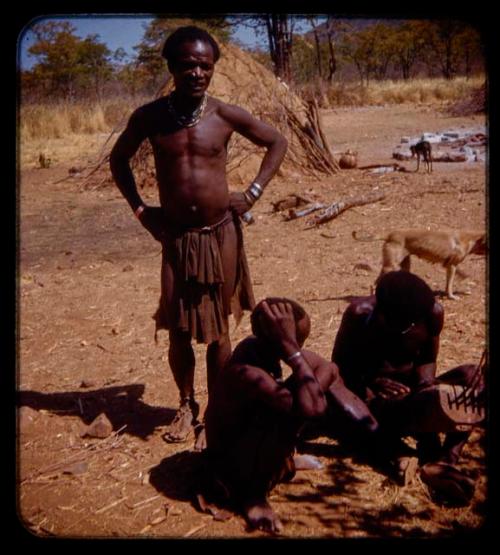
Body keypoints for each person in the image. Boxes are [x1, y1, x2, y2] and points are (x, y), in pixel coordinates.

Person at [109, 26, 288, 447]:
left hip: (220, 233)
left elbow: (276, 141)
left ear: (213, 69)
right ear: (171, 67)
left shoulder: (225, 114)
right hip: (175, 237)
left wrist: (254, 192)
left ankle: (216, 408)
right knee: (177, 326)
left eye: (204, 66)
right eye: (187, 64)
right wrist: (141, 211)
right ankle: (186, 404)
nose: (196, 73)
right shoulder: (150, 117)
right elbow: (118, 160)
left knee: (220, 328)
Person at [203, 297, 380, 533]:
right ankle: (252, 497)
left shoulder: (262, 349)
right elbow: (311, 408)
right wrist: (293, 352)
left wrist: (317, 367)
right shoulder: (247, 372)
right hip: (230, 466)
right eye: (295, 341)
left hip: (249, 447)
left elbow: (325, 368)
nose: (300, 346)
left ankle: (376, 437)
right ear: (278, 339)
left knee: (325, 371)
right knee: (296, 408)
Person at [330, 270, 485, 505]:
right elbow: (339, 370)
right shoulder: (359, 315)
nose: (408, 327)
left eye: (411, 323)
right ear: (382, 312)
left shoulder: (432, 313)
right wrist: (372, 381)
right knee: (343, 403)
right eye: (401, 323)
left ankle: (447, 460)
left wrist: (425, 383)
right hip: (377, 399)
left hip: (415, 390)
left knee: (473, 375)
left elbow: (427, 359)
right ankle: (406, 445)